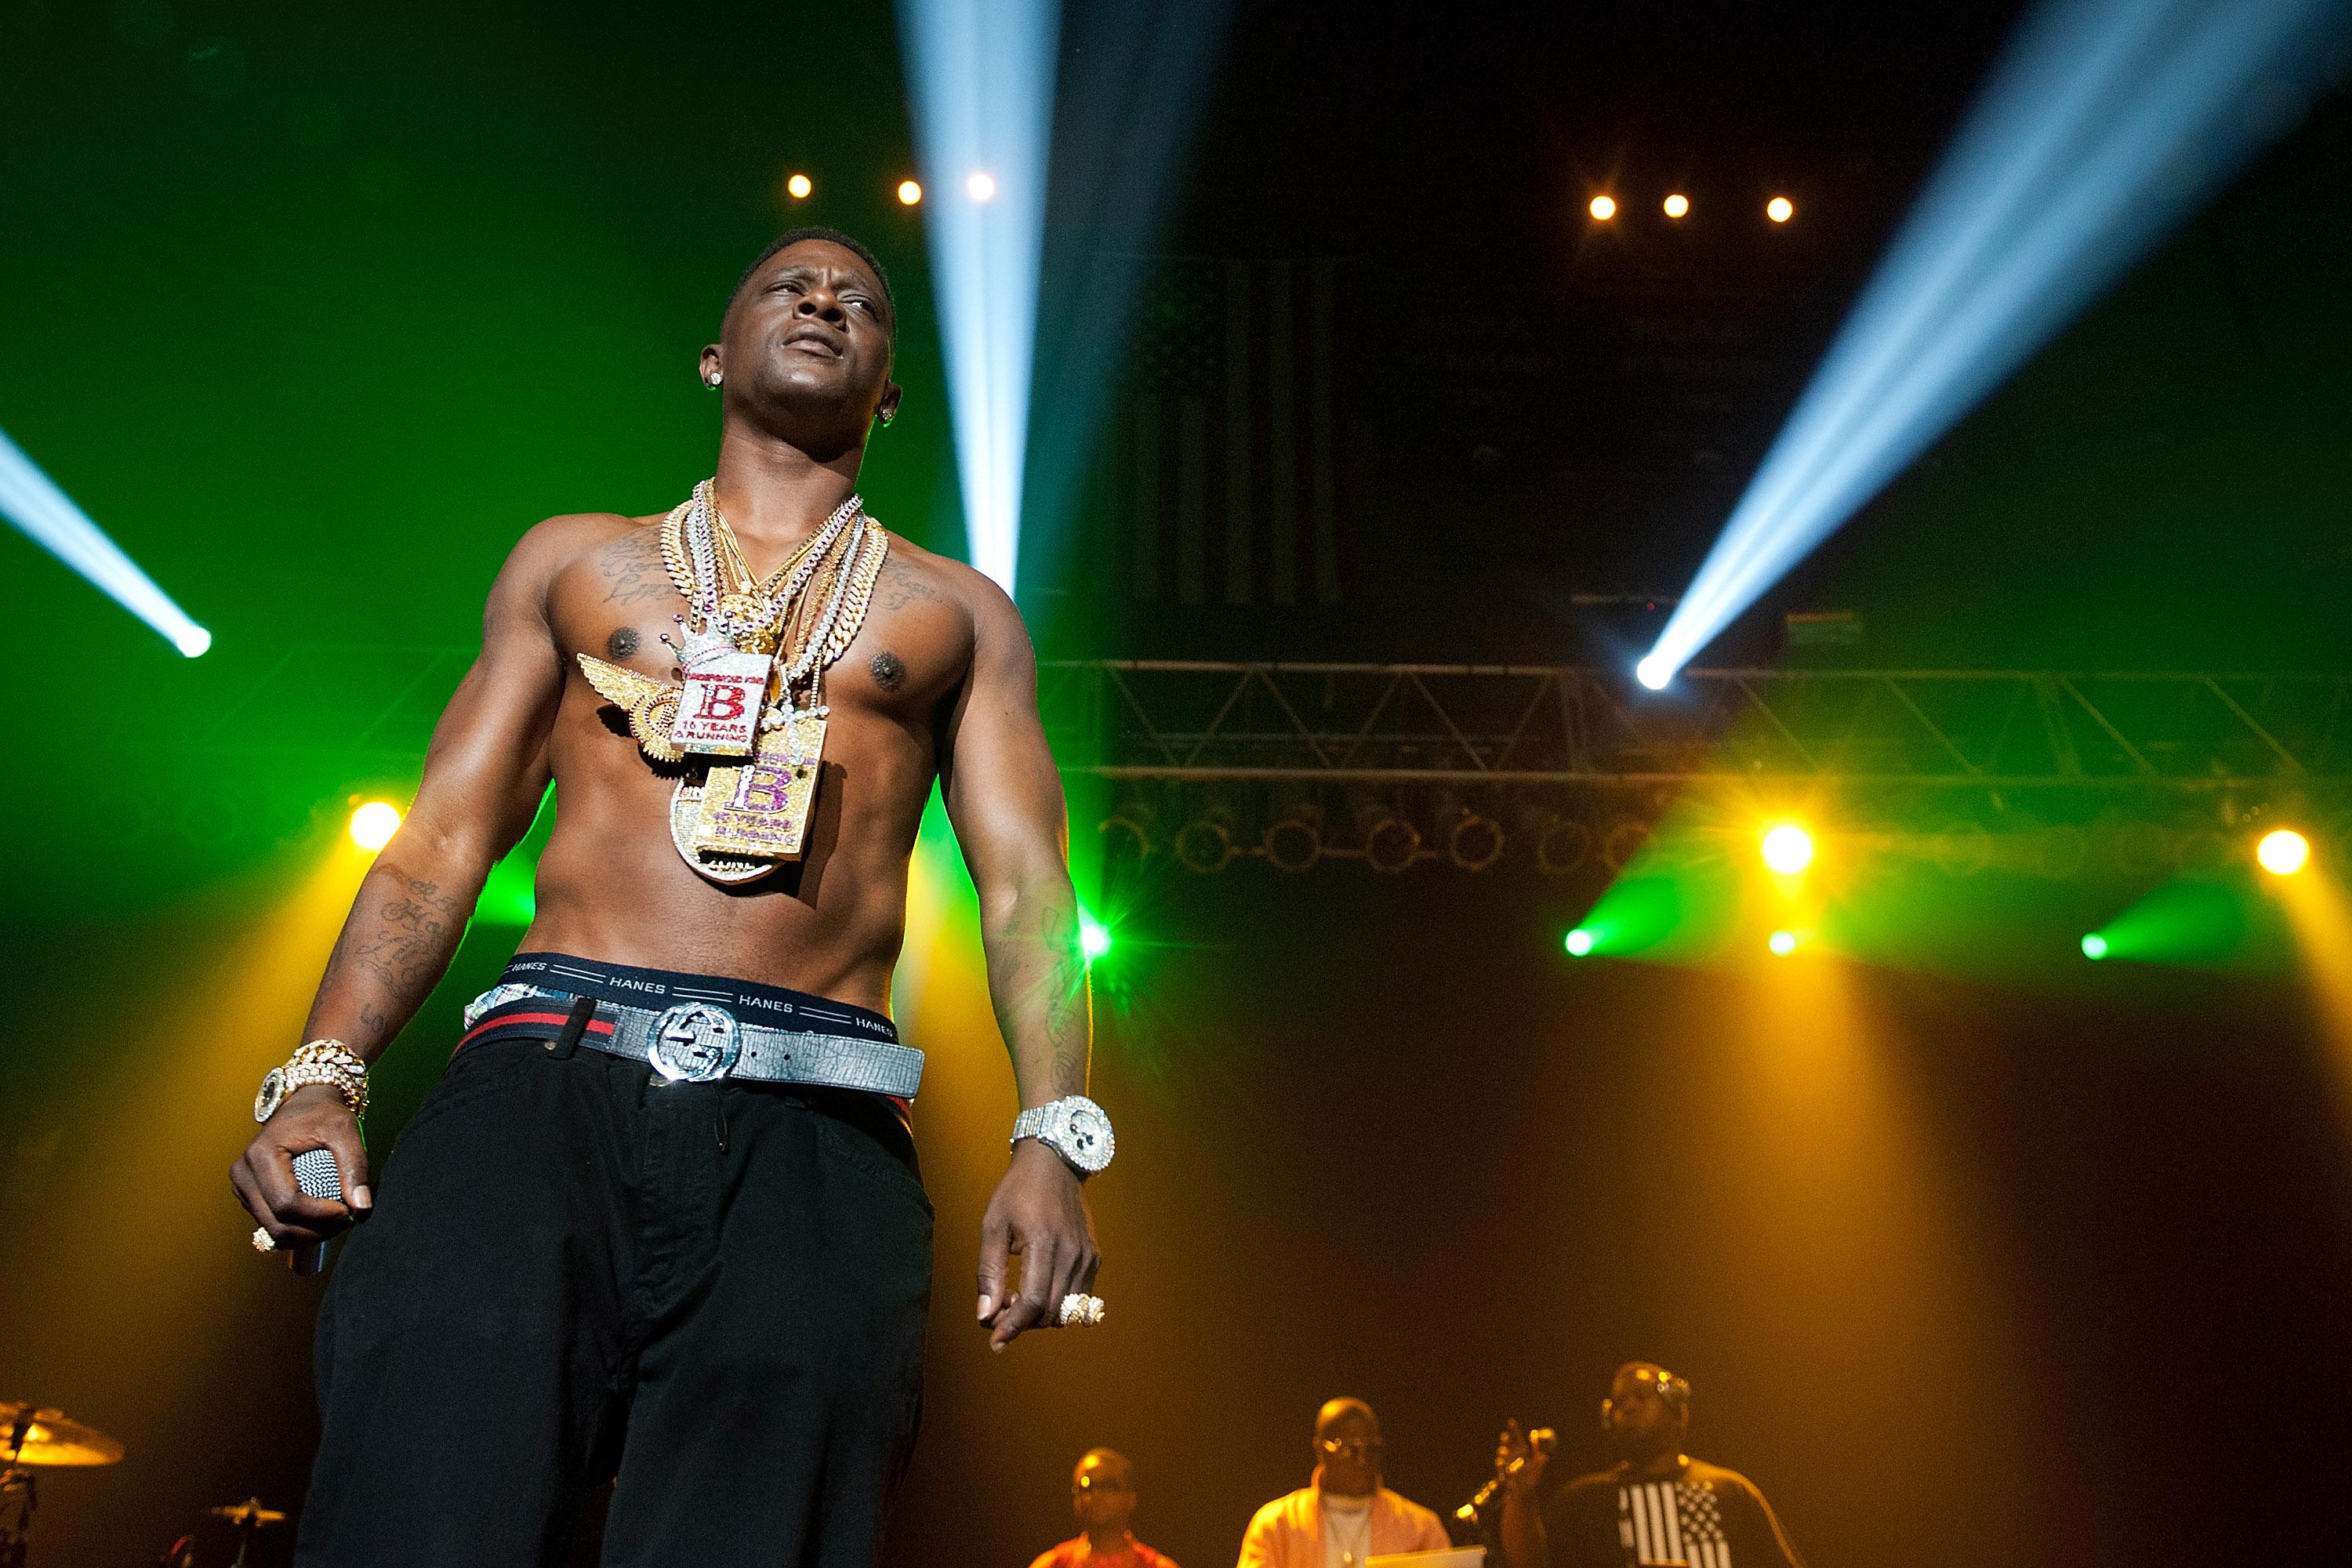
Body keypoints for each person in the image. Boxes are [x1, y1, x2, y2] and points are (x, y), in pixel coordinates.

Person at [230, 225, 1119, 1567]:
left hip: (815, 1125)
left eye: (860, 301)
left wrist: (1053, 1137)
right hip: (540, 1088)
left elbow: (1028, 895)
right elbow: (441, 842)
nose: (824, 302)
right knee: (416, 1518)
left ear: (888, 390)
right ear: (715, 356)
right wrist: (321, 1074)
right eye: (789, 287)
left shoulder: (960, 613)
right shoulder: (574, 563)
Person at [1492, 1363, 1804, 1568]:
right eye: (1619, 1402)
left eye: (1640, 1397)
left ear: (1678, 1411)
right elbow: (1530, 1564)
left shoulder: (1731, 1493)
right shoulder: (1585, 1501)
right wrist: (1520, 1496)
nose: (1627, 1406)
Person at [1238, 1398, 1452, 1568]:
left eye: (1371, 1449)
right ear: (1321, 1450)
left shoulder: (1421, 1528)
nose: (1362, 1461)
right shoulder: (1276, 1525)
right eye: (1350, 1450)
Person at [1028, 1448, 1181, 1568]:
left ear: (1131, 1498)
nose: (1096, 1494)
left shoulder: (1156, 1566)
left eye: (1108, 1485)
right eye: (1086, 1487)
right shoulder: (1053, 1564)